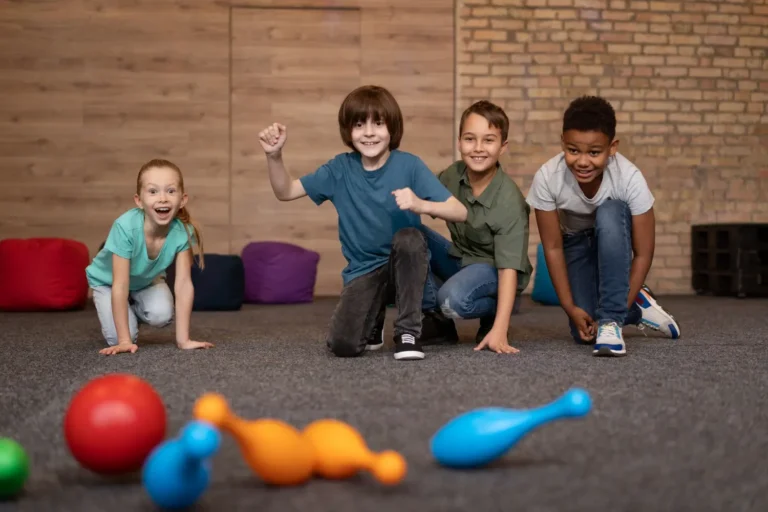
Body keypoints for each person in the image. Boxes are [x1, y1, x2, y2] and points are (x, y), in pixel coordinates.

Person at [258, 85, 467, 361]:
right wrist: (274, 157)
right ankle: (375, 315)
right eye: (359, 125)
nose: (369, 132)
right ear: (348, 131)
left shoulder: (409, 165)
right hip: (364, 271)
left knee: (410, 237)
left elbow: (459, 211)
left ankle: (408, 331)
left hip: (407, 264)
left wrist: (421, 204)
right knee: (343, 345)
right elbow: (285, 192)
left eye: (378, 124)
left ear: (392, 128)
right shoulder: (339, 169)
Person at [526, 95, 680, 357]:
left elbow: (643, 253)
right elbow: (552, 247)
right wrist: (568, 306)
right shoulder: (547, 177)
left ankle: (612, 318)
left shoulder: (629, 178)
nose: (583, 161)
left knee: (609, 211)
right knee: (583, 331)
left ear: (612, 147)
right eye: (573, 150)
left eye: (594, 153)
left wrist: (613, 318)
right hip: (574, 241)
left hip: (614, 238)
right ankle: (638, 305)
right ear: (563, 142)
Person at [418, 100, 533, 354]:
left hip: (496, 269)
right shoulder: (452, 175)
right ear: (459, 141)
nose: (478, 148)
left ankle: (500, 309)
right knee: (410, 236)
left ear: (503, 147)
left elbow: (507, 269)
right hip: (461, 258)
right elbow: (419, 192)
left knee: (451, 300)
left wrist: (501, 329)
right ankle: (436, 320)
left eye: (488, 140)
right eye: (470, 139)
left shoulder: (509, 201)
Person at [85, 159, 214, 356]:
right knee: (117, 338)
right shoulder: (125, 226)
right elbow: (120, 284)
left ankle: (133, 305)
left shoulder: (184, 232)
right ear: (139, 201)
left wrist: (183, 340)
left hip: (144, 279)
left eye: (170, 191)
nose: (162, 198)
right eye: (153, 191)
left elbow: (183, 284)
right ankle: (125, 314)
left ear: (182, 199)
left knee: (162, 314)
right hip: (109, 282)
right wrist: (125, 340)